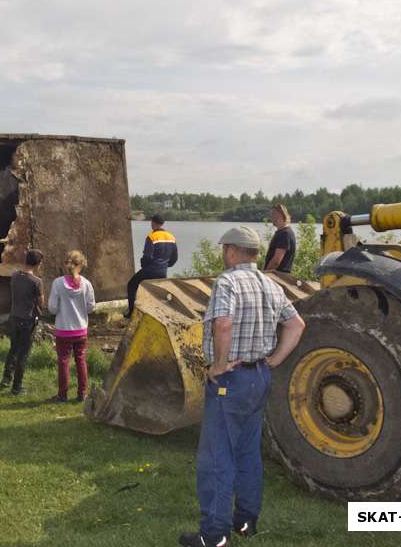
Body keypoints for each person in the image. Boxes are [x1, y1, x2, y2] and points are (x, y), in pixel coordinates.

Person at [179, 227, 305, 547]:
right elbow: (296, 324)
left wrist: (218, 365)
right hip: (259, 376)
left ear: (233, 251)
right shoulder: (270, 283)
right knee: (249, 452)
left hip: (231, 379)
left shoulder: (228, 282)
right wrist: (274, 359)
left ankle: (214, 536)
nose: (223, 254)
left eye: (225, 249)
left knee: (217, 457)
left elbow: (223, 323)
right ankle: (246, 523)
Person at [47, 250, 96, 403]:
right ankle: (82, 394)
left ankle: (62, 395)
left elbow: (52, 309)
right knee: (81, 360)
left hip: (63, 330)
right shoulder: (86, 284)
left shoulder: (58, 283)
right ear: (81, 265)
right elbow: (91, 307)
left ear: (66, 264)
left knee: (63, 361)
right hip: (81, 330)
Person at [0, 249, 45, 396]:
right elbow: (41, 303)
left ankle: (6, 379)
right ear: (38, 264)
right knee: (23, 354)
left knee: (13, 349)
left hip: (14, 317)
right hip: (27, 320)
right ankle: (17, 387)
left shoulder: (15, 276)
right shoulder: (37, 282)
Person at [124, 213, 178, 317]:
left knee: (131, 285)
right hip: (163, 272)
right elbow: (174, 259)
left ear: (153, 223)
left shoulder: (151, 237)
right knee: (158, 293)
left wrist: (144, 267)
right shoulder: (172, 237)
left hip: (150, 270)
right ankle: (159, 314)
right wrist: (165, 266)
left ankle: (131, 313)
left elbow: (147, 257)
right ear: (162, 223)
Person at [263, 204, 295, 273]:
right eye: (271, 215)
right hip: (277, 276)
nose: (271, 217)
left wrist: (264, 275)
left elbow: (276, 261)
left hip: (279, 277)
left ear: (281, 215)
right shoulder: (283, 232)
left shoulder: (284, 234)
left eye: (273, 214)